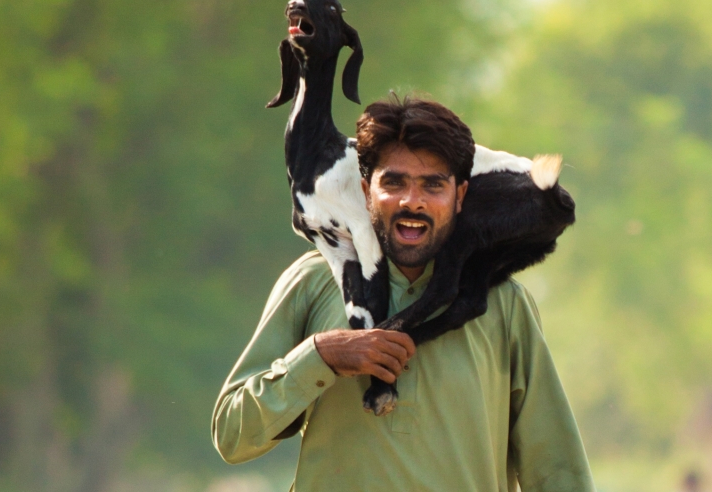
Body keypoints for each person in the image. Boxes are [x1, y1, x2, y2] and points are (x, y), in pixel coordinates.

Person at [213, 96, 595, 491]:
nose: (412, 201)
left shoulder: (505, 304)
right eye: (394, 183)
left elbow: (558, 470)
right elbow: (232, 437)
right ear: (366, 191)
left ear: (460, 197)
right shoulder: (313, 282)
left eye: (433, 185)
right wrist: (321, 356)